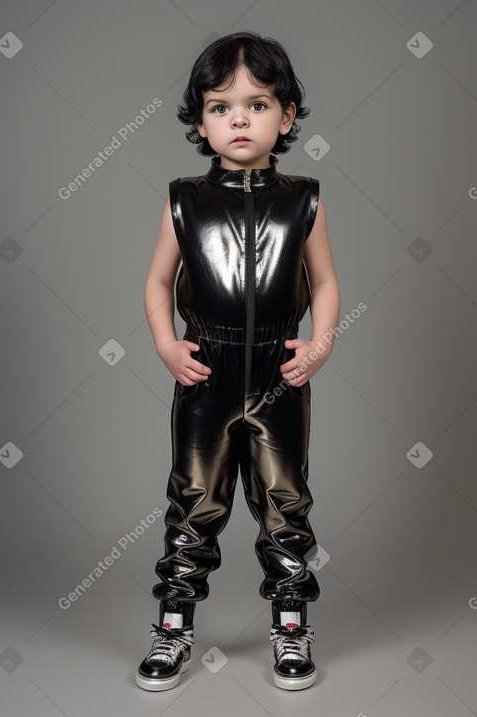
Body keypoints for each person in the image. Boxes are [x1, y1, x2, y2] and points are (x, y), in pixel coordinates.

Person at [136, 31, 341, 692]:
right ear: (200, 120)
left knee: (285, 500)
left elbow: (327, 281)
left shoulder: (303, 199)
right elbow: (157, 282)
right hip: (207, 375)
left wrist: (319, 343)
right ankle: (173, 624)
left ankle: (289, 621)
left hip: (279, 377)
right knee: (193, 501)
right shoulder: (183, 201)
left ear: (286, 116)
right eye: (222, 106)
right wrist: (168, 344)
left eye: (258, 103)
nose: (240, 118)